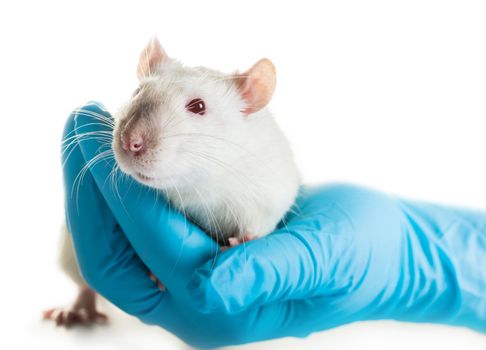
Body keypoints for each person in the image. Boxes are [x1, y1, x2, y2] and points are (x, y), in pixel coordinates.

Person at [62, 102, 486, 348]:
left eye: (195, 108)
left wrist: (413, 262)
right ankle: (86, 293)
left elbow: (272, 201)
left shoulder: (257, 160)